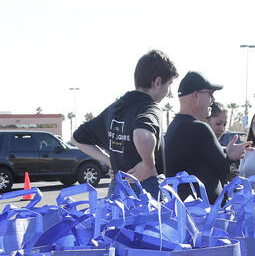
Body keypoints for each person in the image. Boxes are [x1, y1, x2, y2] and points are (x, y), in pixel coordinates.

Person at [72, 49, 178, 196]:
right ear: (158, 82)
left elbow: (77, 138)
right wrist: (148, 165)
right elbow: (142, 135)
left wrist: (110, 161)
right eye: (169, 84)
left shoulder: (115, 108)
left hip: (117, 193)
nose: (168, 90)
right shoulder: (150, 108)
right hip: (145, 196)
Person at [163, 71, 252, 202]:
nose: (213, 99)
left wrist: (227, 154)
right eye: (210, 93)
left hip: (183, 211)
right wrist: (231, 157)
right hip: (205, 214)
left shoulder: (173, 127)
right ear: (195, 95)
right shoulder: (199, 128)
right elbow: (223, 168)